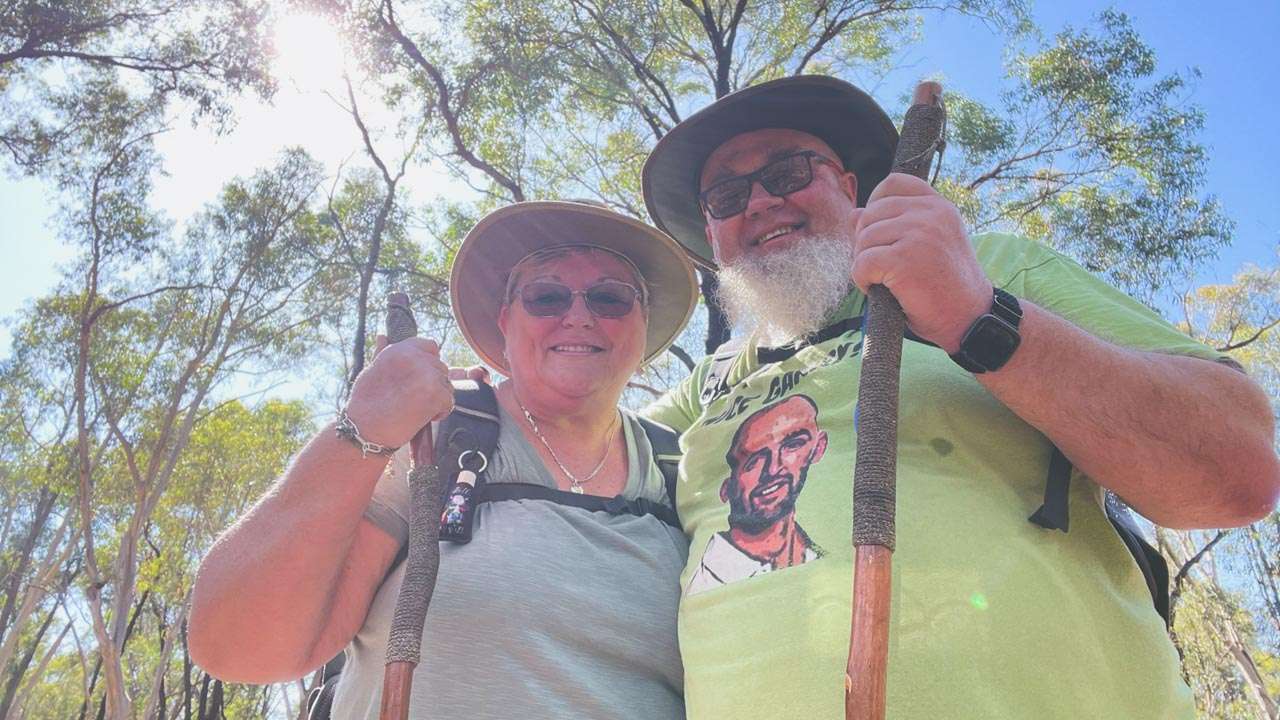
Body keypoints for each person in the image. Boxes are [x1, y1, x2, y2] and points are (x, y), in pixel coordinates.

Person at [639, 75, 1280, 719]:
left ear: (851, 188)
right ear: (712, 231)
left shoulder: (989, 266)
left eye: (786, 172)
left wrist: (974, 314)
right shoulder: (706, 388)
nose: (757, 202)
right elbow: (569, 466)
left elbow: (1237, 473)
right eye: (725, 194)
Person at [189, 201, 699, 719]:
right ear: (505, 321)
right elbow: (238, 645)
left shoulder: (685, 468)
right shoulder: (432, 441)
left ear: (642, 325)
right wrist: (363, 427)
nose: (578, 315)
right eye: (545, 297)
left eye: (610, 298)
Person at [686, 394, 827, 595]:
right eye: (753, 461)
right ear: (726, 489)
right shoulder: (708, 583)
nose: (773, 468)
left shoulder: (817, 556)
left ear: (818, 447)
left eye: (792, 445)